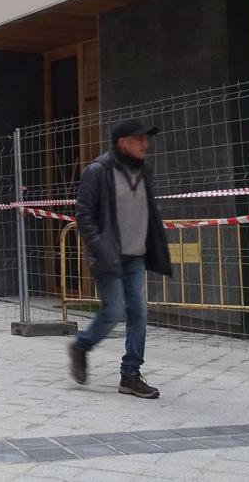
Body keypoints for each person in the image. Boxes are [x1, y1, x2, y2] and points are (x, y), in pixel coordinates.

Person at [68, 120, 172, 399]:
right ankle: (81, 346)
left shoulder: (144, 170)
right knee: (114, 311)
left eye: (146, 140)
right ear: (122, 142)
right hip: (109, 256)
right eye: (139, 139)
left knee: (139, 312)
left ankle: (130, 375)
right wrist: (99, 246)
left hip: (136, 256)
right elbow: (84, 214)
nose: (146, 145)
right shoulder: (98, 171)